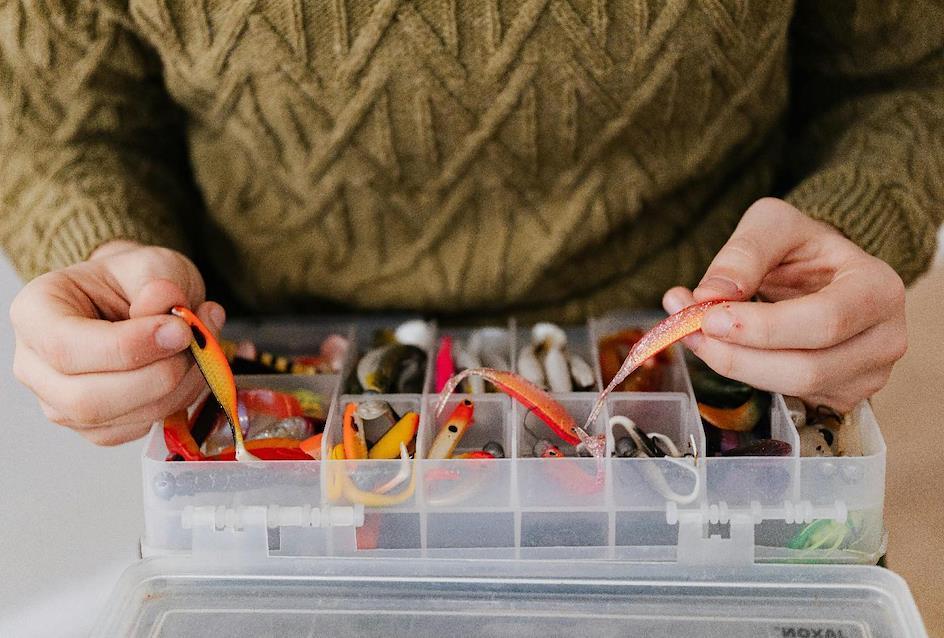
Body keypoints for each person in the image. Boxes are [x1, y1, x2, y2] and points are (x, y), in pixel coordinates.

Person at [2, 2, 940, 446]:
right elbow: (55, 125)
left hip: (713, 386)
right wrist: (108, 256)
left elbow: (902, 76)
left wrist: (849, 222)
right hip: (273, 411)